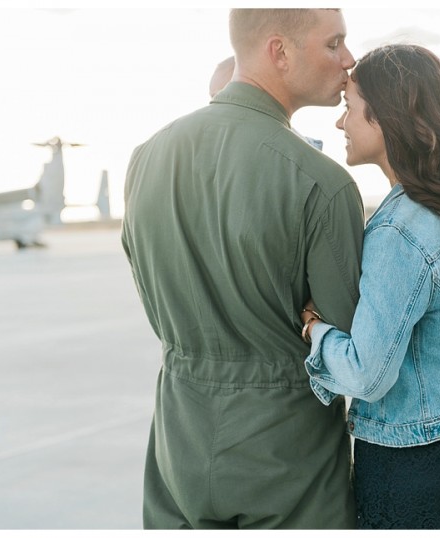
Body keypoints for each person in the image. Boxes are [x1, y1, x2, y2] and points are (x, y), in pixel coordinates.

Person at [121, 9, 363, 529]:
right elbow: (350, 336)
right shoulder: (323, 183)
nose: (349, 60)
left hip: (177, 447)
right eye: (334, 43)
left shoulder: (146, 157)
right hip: (287, 460)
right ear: (279, 51)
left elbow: (149, 284)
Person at [300, 44, 440, 529]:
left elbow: (367, 375)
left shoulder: (398, 230)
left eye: (349, 108)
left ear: (386, 118)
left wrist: (315, 332)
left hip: (419, 469)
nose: (341, 124)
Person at [209, 54, 324, 150]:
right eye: (213, 99)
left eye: (225, 96)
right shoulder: (216, 147)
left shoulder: (299, 150)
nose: (215, 107)